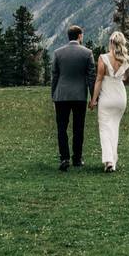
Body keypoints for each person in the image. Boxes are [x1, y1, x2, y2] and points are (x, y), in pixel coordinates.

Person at [51, 25, 95, 171]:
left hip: (61, 95)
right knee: (78, 128)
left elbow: (55, 76)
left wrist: (54, 94)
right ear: (80, 36)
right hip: (79, 96)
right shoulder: (87, 53)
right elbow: (91, 77)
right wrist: (93, 96)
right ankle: (77, 158)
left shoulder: (58, 53)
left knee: (61, 128)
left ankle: (64, 158)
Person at [89, 30, 129, 172]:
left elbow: (99, 79)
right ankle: (113, 159)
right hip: (120, 97)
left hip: (107, 97)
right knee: (114, 128)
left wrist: (93, 100)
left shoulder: (103, 58)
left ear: (111, 43)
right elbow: (125, 78)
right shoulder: (126, 60)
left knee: (105, 129)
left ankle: (109, 161)